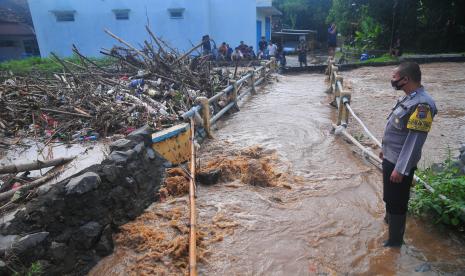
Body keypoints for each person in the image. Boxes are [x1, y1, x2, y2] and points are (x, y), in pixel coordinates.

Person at [380, 62, 437, 247]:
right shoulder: (409, 97)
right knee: (389, 196)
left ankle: (395, 243)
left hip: (399, 164)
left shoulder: (422, 105)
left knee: (397, 202)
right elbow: (396, 127)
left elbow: (414, 141)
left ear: (406, 79)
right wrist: (384, 148)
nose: (392, 80)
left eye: (395, 77)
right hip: (391, 157)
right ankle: (389, 224)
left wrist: (401, 169)